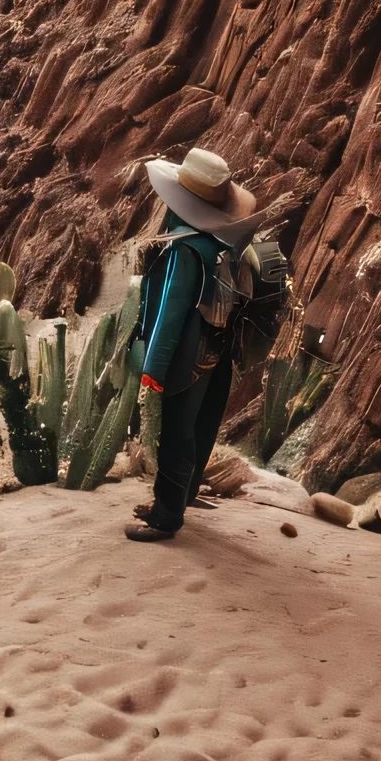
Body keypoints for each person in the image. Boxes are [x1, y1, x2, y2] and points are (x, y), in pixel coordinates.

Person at [124, 146, 262, 544]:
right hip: (216, 353)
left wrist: (152, 367)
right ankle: (179, 499)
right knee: (200, 429)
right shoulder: (228, 246)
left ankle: (166, 516)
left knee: (176, 431)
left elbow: (170, 310)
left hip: (186, 355)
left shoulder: (183, 249)